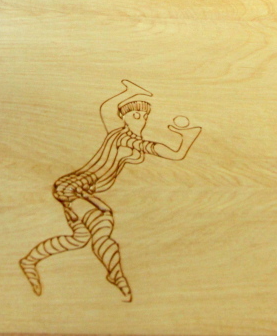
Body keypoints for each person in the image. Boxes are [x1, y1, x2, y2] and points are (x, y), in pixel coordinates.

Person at [19, 80, 202, 302]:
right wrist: (185, 142)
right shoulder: (124, 137)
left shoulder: (119, 134)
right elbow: (173, 154)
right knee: (102, 220)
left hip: (79, 189)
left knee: (80, 238)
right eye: (135, 115)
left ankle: (29, 260)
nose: (141, 119)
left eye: (144, 116)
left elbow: (106, 110)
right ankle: (116, 277)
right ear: (123, 117)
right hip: (73, 187)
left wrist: (130, 93)